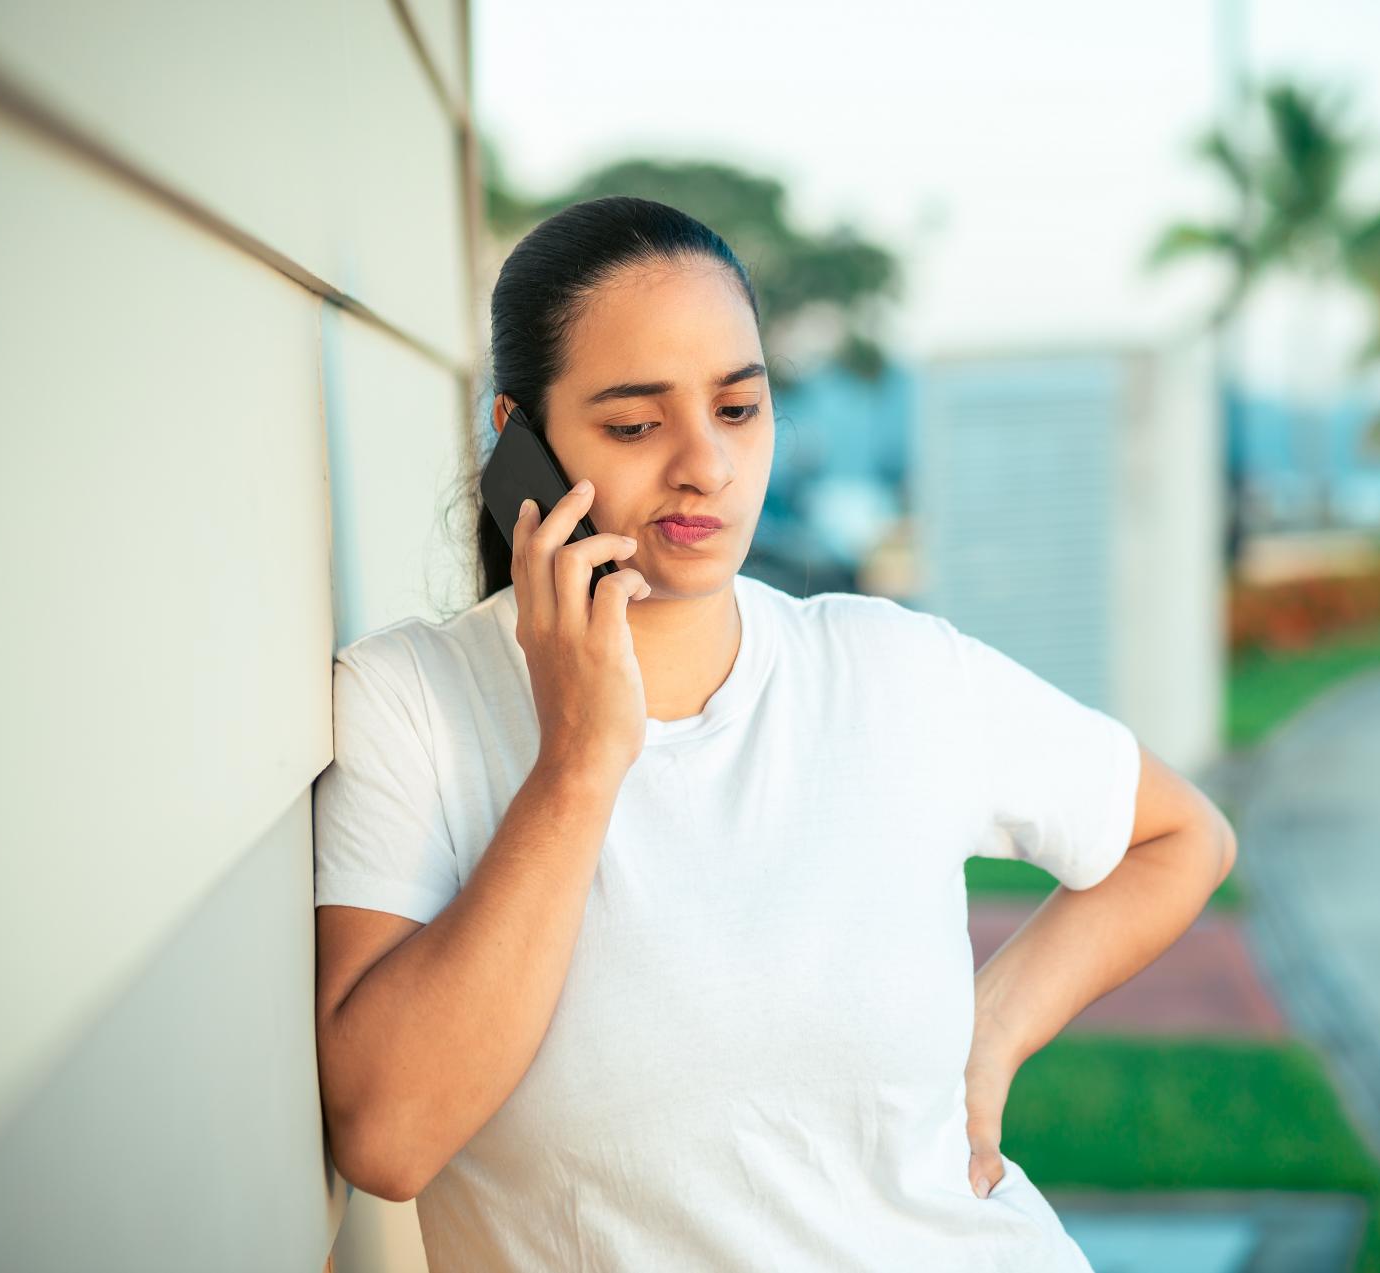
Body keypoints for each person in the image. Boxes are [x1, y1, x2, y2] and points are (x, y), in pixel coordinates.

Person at [311, 196, 1237, 1271]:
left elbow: (1184, 837)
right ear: (524, 444)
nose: (704, 464)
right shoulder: (413, 703)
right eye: (634, 423)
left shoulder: (888, 669)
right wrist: (577, 764)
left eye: (739, 409)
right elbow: (390, 1135)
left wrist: (991, 1038)